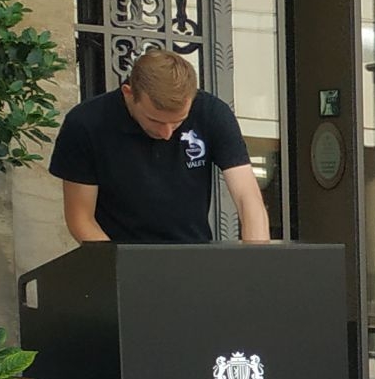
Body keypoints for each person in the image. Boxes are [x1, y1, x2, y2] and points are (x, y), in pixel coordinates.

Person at [50, 48, 270, 245]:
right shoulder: (86, 123)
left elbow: (247, 197)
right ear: (128, 93)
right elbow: (81, 218)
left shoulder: (212, 113)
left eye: (178, 122)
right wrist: (118, 271)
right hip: (117, 255)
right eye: (154, 120)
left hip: (193, 255)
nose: (167, 133)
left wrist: (256, 265)